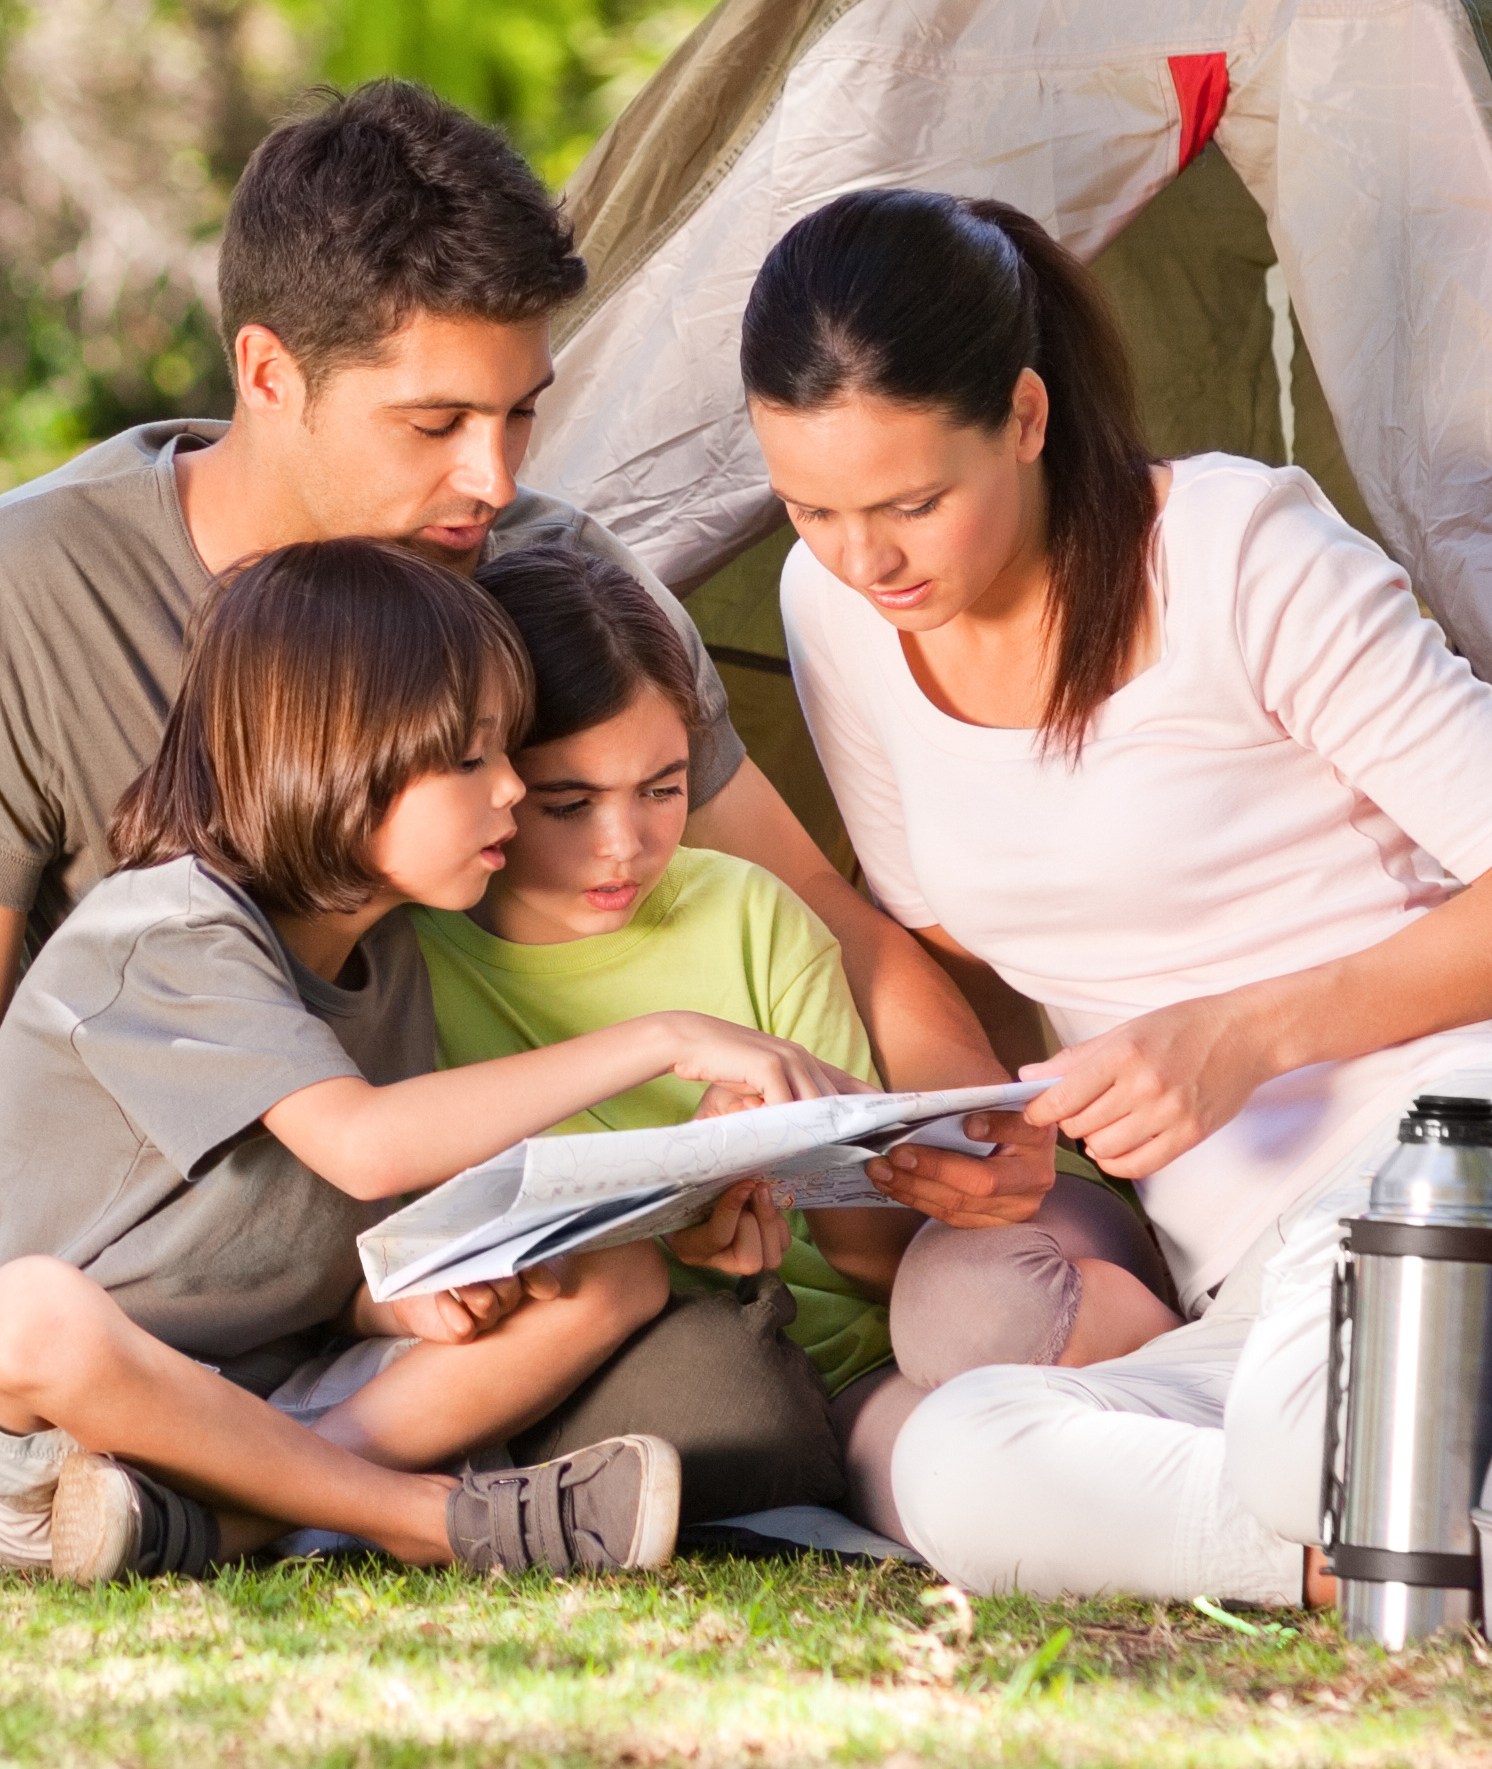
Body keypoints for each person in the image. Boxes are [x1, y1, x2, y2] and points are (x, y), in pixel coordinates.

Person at [0, 83, 1043, 1566]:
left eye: (522, 414)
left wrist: (979, 1137)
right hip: (153, 1279)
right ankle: (335, 1505)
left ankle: (222, 1505)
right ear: (270, 373)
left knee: (721, 1400)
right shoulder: (24, 597)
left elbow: (820, 910)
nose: (494, 480)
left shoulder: (548, 574)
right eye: (435, 422)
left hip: (410, 1286)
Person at [742, 186, 1492, 1604]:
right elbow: (949, 939)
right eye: (813, 509)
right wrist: (989, 1129)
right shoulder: (835, 611)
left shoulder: (1238, 557)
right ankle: (1361, 1550)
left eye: (914, 502)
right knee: (956, 1442)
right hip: (1253, 1295)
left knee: (1335, 1376)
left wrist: (1245, 1034)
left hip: (1471, 1158)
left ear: (1027, 420)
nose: (869, 560)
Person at [0, 540, 848, 1580]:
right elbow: (360, 1149)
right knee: (28, 1313)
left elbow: (294, 1245)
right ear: (335, 762)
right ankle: (424, 1519)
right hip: (51, 1439)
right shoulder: (160, 935)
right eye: (472, 760)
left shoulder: (384, 952)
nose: (510, 795)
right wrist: (661, 1038)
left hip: (279, 1405)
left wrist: (399, 1300)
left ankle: (249, 1515)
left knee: (607, 1275)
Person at [421, 516, 1159, 1519]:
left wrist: (801, 1150)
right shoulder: (422, 961)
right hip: (756, 1387)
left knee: (981, 1315)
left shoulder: (744, 909)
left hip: (889, 1320)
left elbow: (868, 1257)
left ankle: (1206, 1366)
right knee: (964, 1492)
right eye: (569, 804)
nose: (624, 846)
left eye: (663, 788)